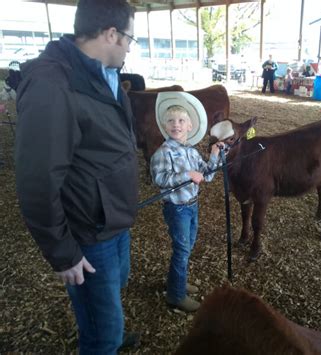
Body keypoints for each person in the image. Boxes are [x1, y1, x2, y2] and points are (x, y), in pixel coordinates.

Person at [14, 0, 140, 353]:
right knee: (103, 333)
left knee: (110, 297)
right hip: (88, 232)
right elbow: (37, 179)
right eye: (129, 37)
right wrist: (63, 252)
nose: (130, 46)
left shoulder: (103, 72)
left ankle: (105, 329)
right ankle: (103, 339)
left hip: (112, 219)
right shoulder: (53, 85)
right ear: (111, 34)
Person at [151, 92, 222, 313]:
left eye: (181, 121)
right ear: (165, 126)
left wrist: (214, 155)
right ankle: (176, 296)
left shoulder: (191, 152)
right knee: (182, 250)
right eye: (171, 121)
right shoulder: (163, 153)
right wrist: (186, 175)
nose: (176, 125)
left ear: (190, 125)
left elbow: (207, 176)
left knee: (187, 247)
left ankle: (177, 281)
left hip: (192, 205)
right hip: (176, 209)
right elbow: (159, 180)